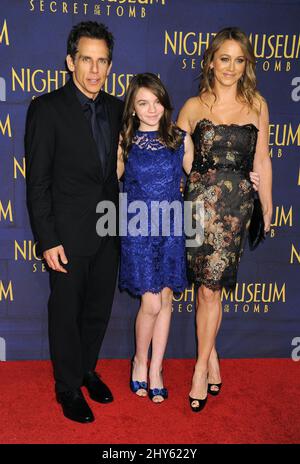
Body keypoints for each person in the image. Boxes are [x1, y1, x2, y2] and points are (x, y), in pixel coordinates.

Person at [25, 21, 124, 423]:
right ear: (70, 61)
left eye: (102, 61)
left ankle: (86, 370)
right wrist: (47, 239)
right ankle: (67, 387)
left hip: (108, 231)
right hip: (65, 235)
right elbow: (38, 183)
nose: (94, 70)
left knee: (98, 311)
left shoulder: (119, 108)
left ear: (110, 66)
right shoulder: (46, 109)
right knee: (66, 313)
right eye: (86, 59)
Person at [177, 27, 272, 412]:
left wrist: (266, 205)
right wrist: (196, 174)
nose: (230, 67)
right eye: (224, 58)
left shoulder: (258, 105)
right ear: (211, 61)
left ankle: (200, 367)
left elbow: (262, 159)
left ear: (245, 64)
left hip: (235, 210)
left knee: (212, 289)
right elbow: (177, 155)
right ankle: (211, 358)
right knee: (205, 290)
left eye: (239, 60)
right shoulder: (192, 106)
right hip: (200, 207)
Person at [117, 73, 193, 403]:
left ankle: (156, 368)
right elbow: (105, 179)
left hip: (172, 230)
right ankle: (139, 361)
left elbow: (201, 176)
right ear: (132, 108)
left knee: (166, 301)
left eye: (157, 102)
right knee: (150, 302)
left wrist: (242, 175)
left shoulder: (180, 139)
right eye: (143, 103)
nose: (152, 109)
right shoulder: (125, 141)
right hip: (138, 231)